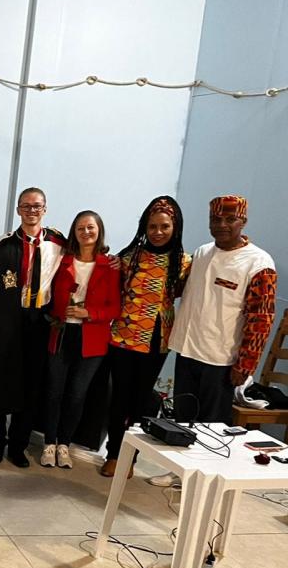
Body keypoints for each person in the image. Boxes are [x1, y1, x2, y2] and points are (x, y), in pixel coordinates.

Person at [150, 195, 277, 487]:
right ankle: (179, 472)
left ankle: (203, 481)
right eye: (215, 220)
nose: (221, 225)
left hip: (221, 359)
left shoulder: (259, 263)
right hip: (187, 349)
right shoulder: (202, 253)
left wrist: (245, 364)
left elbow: (261, 319)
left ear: (242, 221)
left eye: (229, 219)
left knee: (212, 425)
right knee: (183, 417)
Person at [101, 196, 191, 477]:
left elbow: (180, 295)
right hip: (124, 336)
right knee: (119, 398)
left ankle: (131, 458)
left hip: (157, 340)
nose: (158, 232)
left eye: (164, 226)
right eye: (152, 226)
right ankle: (114, 453)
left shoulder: (185, 263)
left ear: (175, 228)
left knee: (142, 401)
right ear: (144, 226)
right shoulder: (129, 257)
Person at [0, 187, 66, 468]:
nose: (31, 211)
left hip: (39, 321)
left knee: (30, 386)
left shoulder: (59, 244)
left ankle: (18, 445)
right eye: (26, 206)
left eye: (37, 206)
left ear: (45, 208)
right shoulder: (2, 246)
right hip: (6, 322)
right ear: (18, 210)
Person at [40, 211, 121, 468]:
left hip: (92, 338)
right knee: (53, 391)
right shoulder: (63, 261)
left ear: (99, 231)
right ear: (74, 232)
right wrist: (57, 312)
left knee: (77, 394)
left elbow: (115, 309)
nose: (86, 232)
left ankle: (64, 444)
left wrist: (89, 313)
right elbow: (48, 294)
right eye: (80, 228)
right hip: (62, 333)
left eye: (91, 228)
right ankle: (49, 443)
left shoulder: (110, 266)